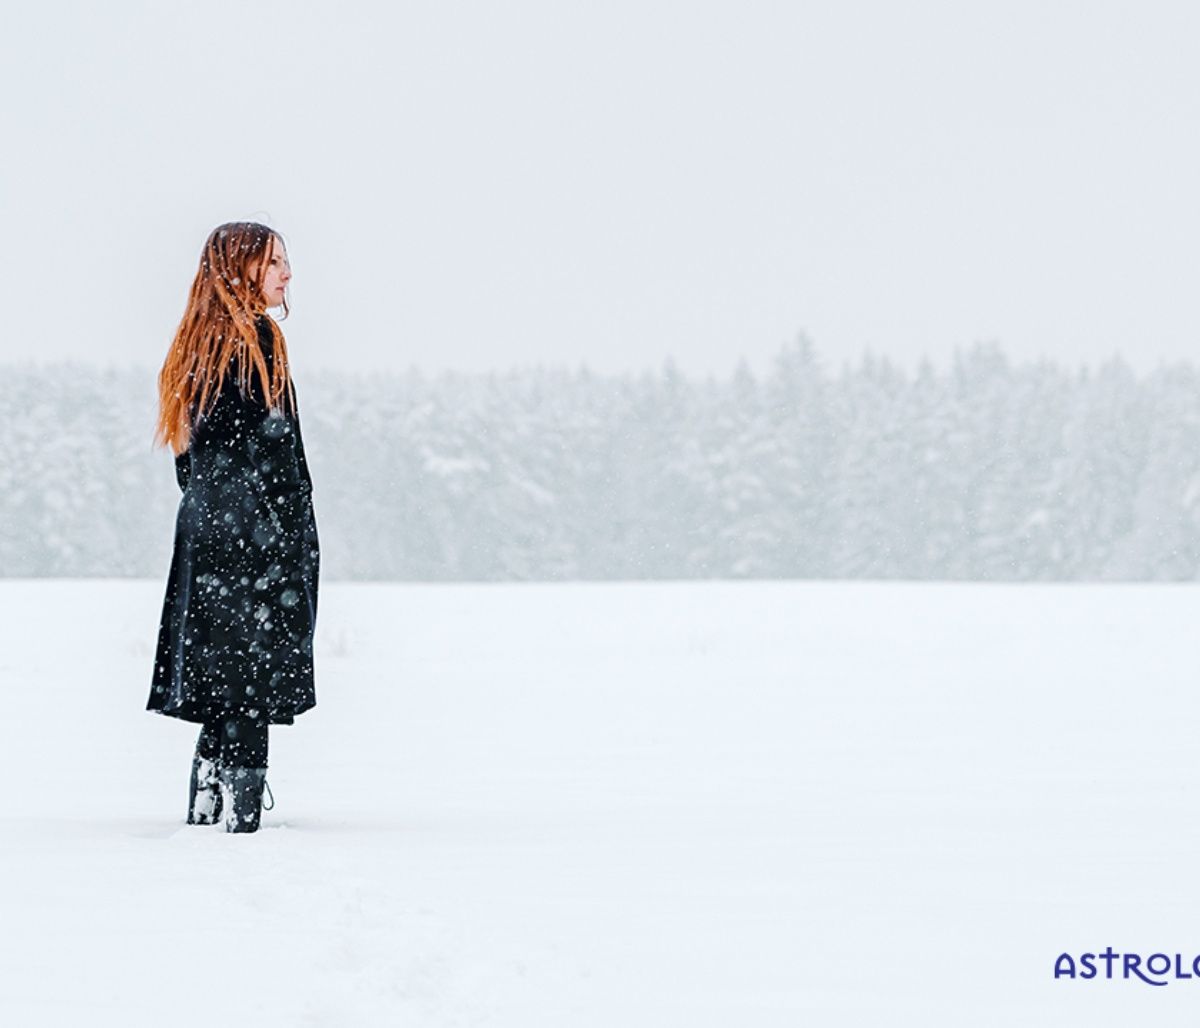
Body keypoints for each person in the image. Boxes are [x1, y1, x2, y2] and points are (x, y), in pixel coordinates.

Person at [147, 222, 320, 833]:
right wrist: (288, 531)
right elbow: (275, 455)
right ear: (242, 268)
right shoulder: (257, 340)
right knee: (252, 676)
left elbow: (187, 459)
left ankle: (206, 805)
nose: (286, 274)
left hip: (206, 527)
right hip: (256, 530)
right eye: (275, 262)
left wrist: (218, 509)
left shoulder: (194, 342)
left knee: (222, 675)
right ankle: (243, 818)